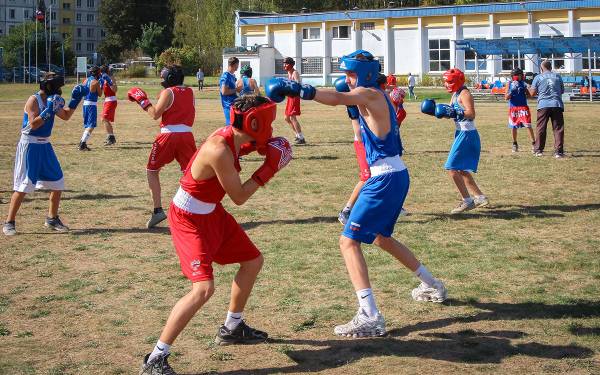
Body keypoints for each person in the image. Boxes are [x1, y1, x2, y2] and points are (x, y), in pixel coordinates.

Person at [266, 49, 447, 338]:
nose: (346, 79)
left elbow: (338, 98)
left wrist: (298, 89)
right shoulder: (371, 95)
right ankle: (431, 284)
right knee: (381, 238)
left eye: (350, 74)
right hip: (393, 174)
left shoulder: (370, 93)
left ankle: (370, 315)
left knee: (348, 242)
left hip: (384, 178)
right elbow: (344, 101)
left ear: (363, 74)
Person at [139, 95, 292, 374]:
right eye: (267, 122)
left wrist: (262, 147)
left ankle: (232, 327)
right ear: (255, 122)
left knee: (252, 261)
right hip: (189, 219)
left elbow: (245, 149)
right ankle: (155, 358)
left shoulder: (232, 138)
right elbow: (240, 196)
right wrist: (269, 167)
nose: (271, 126)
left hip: (211, 213)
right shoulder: (219, 149)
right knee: (203, 289)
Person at [3, 72, 88, 236]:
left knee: (57, 182)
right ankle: (9, 222)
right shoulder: (33, 100)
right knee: (23, 185)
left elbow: (66, 116)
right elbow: (34, 125)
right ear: (50, 86)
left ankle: (52, 218)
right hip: (30, 146)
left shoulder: (52, 100)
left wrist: (75, 100)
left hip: (45, 145)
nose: (59, 90)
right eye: (57, 87)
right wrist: (48, 110)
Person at [128, 65, 197, 229]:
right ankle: (191, 211)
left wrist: (142, 100)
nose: (161, 79)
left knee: (152, 171)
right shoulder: (190, 92)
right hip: (187, 136)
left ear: (170, 78)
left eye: (163, 76)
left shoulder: (169, 92)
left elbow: (155, 114)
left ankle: (158, 209)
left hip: (168, 136)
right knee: (191, 175)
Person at [421, 68, 488, 214]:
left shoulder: (465, 93)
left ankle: (467, 201)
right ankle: (480, 197)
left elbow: (471, 113)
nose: (447, 84)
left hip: (467, 133)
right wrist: (435, 112)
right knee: (461, 169)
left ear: (458, 81)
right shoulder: (455, 94)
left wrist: (455, 112)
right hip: (461, 132)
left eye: (450, 81)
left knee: (452, 168)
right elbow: (450, 113)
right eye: (446, 82)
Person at [528, 60, 565, 158]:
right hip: (557, 104)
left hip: (543, 105)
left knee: (541, 128)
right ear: (551, 68)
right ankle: (558, 152)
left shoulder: (538, 77)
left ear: (541, 68)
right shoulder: (557, 76)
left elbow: (532, 94)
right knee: (558, 129)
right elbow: (562, 91)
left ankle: (538, 150)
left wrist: (528, 87)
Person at [504, 67, 535, 153]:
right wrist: (512, 90)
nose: (519, 77)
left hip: (523, 107)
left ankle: (534, 143)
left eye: (520, 75)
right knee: (514, 127)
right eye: (517, 75)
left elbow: (529, 96)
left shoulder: (523, 83)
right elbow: (506, 97)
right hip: (513, 108)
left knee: (528, 125)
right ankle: (515, 144)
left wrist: (528, 87)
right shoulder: (509, 83)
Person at [282, 57, 306, 145]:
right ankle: (297, 134)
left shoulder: (295, 73)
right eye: (284, 63)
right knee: (286, 118)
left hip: (294, 97)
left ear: (291, 64)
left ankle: (301, 137)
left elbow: (297, 84)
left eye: (286, 63)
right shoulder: (289, 73)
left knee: (292, 117)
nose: (284, 65)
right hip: (290, 97)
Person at [78, 65, 103, 151]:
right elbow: (100, 94)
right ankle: (83, 144)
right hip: (91, 104)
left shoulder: (85, 80)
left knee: (88, 125)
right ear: (97, 73)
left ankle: (82, 141)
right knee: (91, 125)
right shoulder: (96, 82)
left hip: (85, 104)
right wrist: (101, 85)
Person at [100, 65, 118, 146]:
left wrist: (109, 81)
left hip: (111, 100)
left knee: (104, 119)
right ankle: (110, 136)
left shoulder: (111, 77)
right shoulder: (103, 78)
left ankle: (111, 137)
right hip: (107, 100)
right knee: (104, 119)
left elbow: (115, 90)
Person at [219, 57, 239, 125]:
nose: (238, 67)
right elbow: (224, 92)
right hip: (228, 106)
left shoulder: (232, 76)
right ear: (234, 64)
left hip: (233, 105)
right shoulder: (226, 76)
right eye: (237, 65)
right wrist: (236, 89)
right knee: (230, 126)